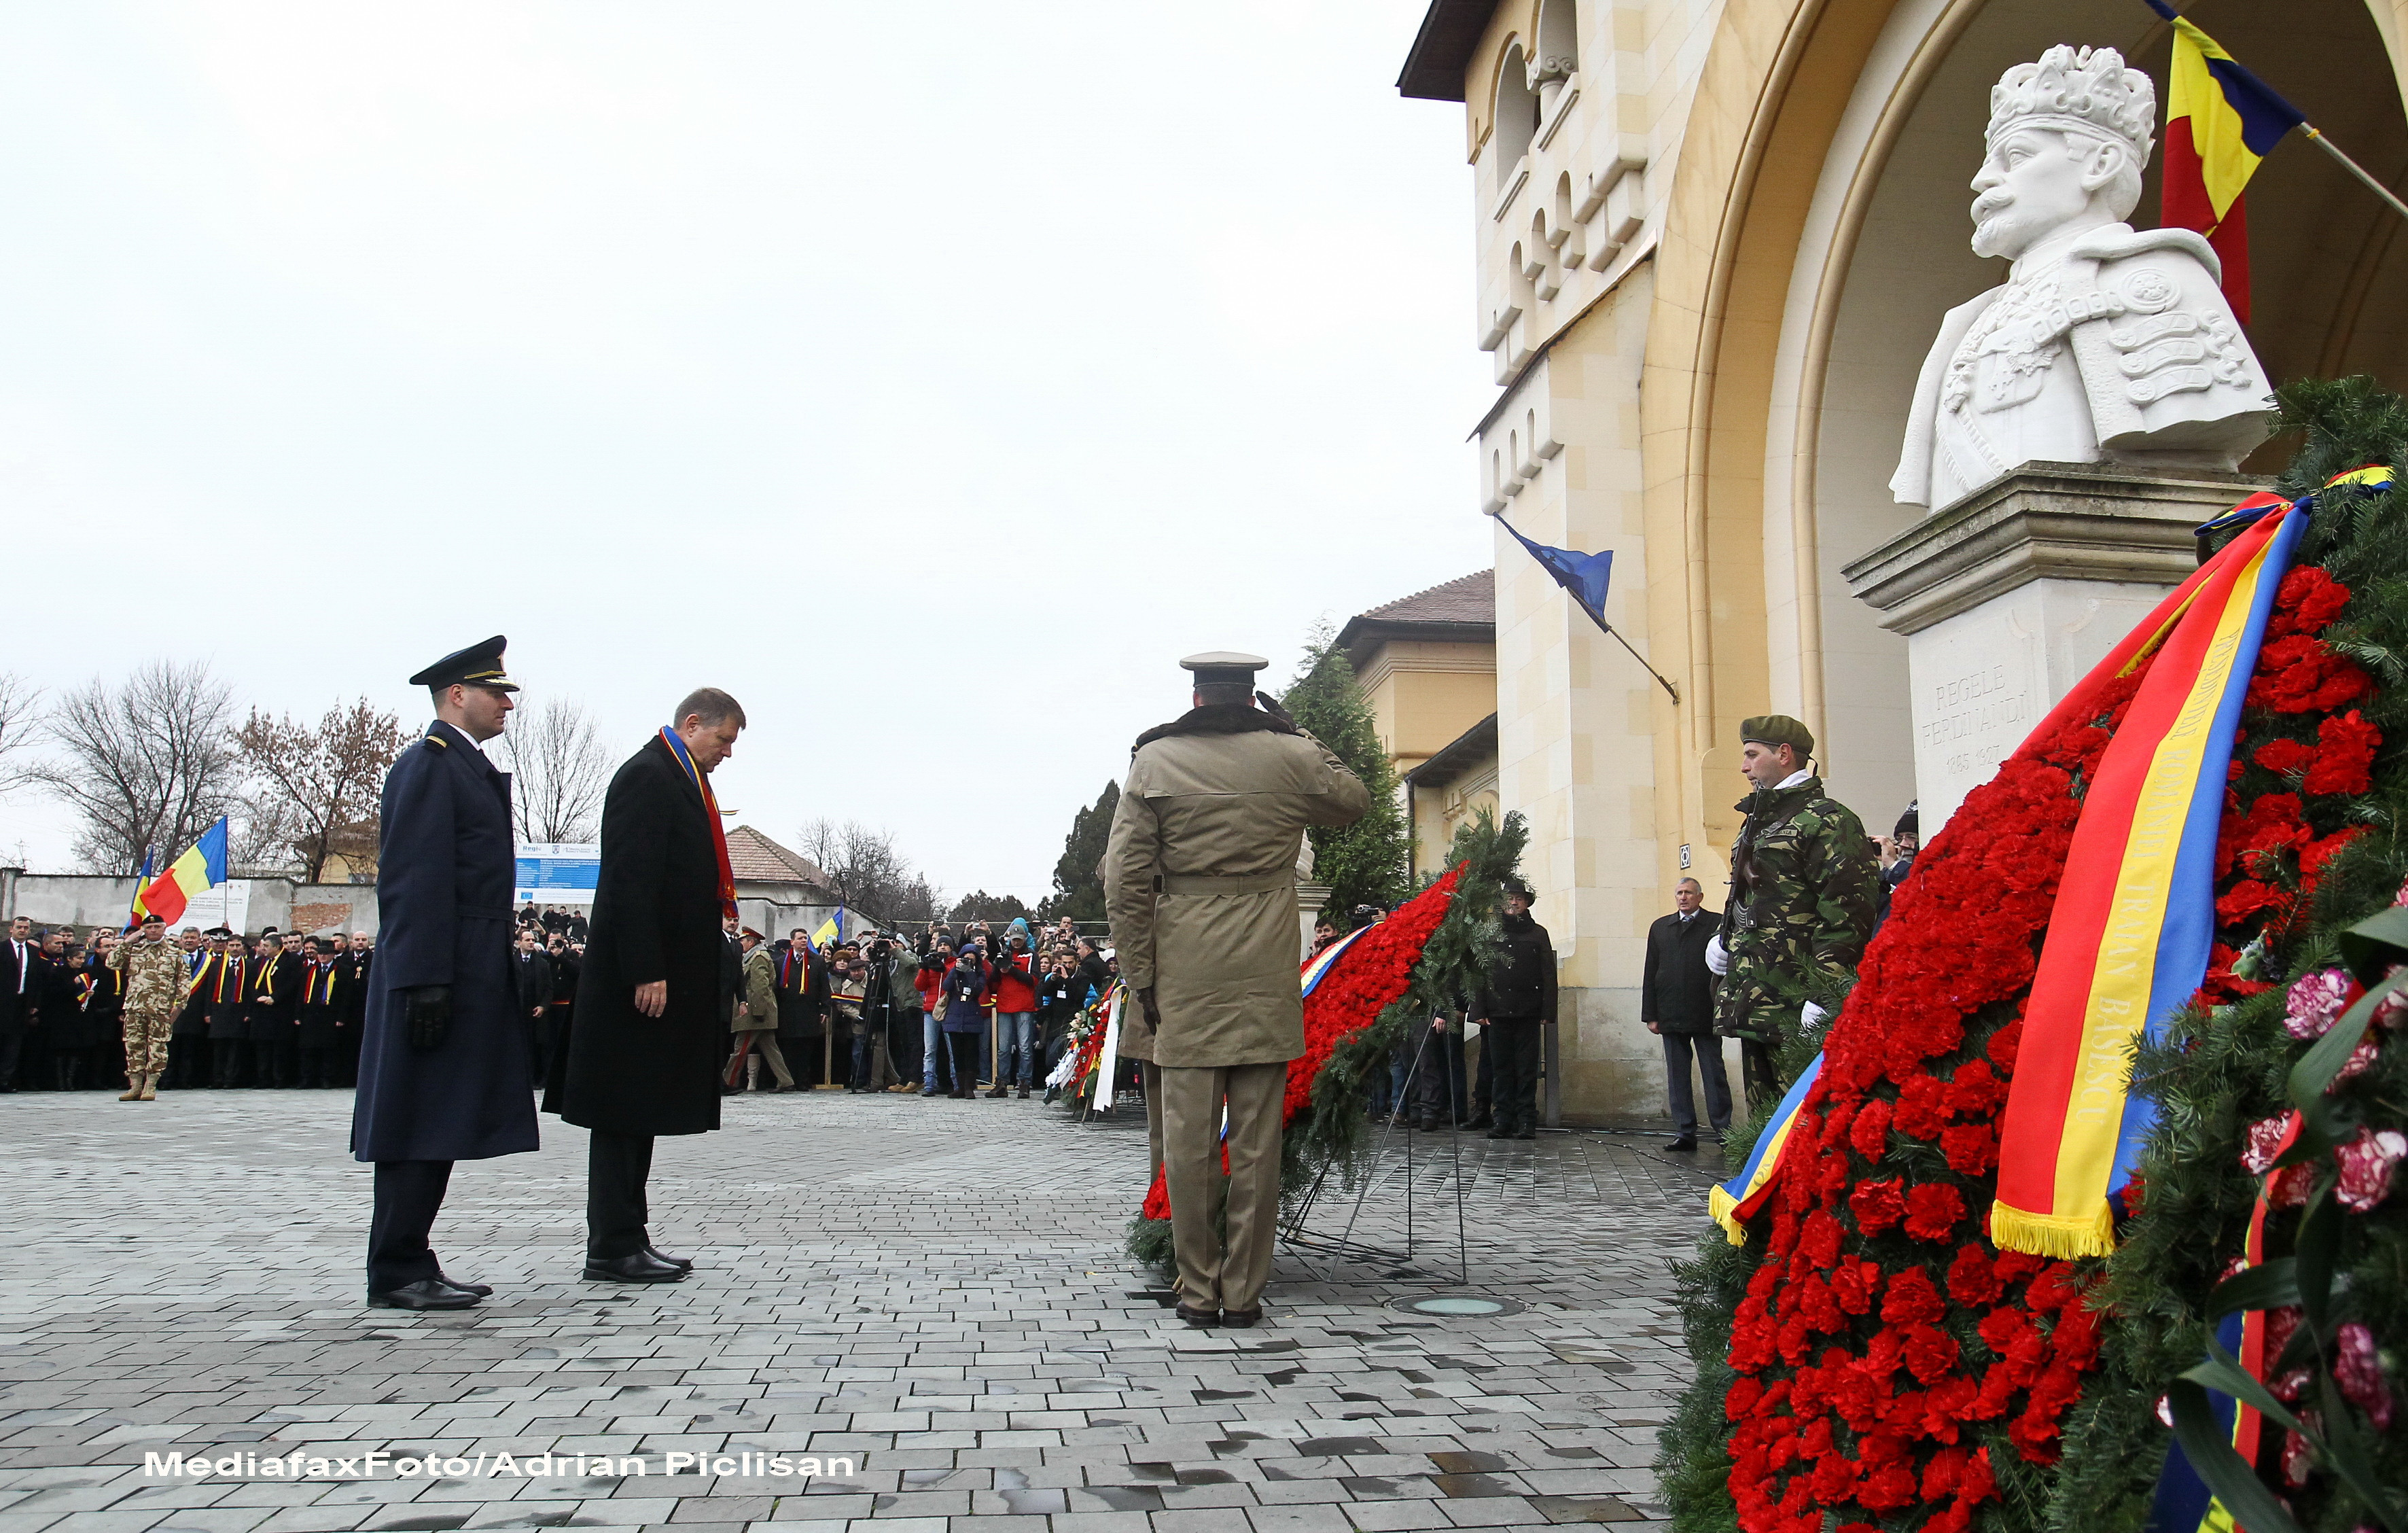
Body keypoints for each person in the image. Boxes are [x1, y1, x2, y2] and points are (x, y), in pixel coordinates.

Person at [1101, 651, 1370, 1328]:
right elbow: (1354, 801)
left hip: (1184, 965)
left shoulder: (1154, 763)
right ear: (1254, 700)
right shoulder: (1289, 755)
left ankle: (1197, 1287)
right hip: (1265, 961)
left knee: (1189, 1143)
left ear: (1195, 699)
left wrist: (1141, 974)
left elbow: (1124, 883)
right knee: (1256, 1143)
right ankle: (1244, 1293)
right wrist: (1300, 733)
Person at [351, 636, 542, 1311]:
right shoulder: (429, 767)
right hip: (438, 972)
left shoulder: (461, 767)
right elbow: (413, 880)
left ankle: (408, 1258)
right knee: (417, 1121)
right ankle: (398, 1268)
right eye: (498, 692)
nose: (508, 703)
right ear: (458, 695)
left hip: (461, 966)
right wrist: (424, 977)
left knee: (435, 1120)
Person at [548, 687, 747, 1284]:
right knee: (622, 1109)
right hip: (638, 980)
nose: (727, 754)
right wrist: (646, 968)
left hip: (662, 975)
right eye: (724, 740)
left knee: (639, 1108)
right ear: (692, 724)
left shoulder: (679, 776)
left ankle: (630, 1234)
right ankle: (611, 1243)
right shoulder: (648, 776)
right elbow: (629, 882)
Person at [1707, 714, 1881, 1106]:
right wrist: (1725, 938)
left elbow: (1848, 915)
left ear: (1784, 754)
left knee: (1803, 1121)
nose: (1744, 766)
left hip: (1798, 1002)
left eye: (1752, 755)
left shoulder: (1828, 820)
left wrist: (1826, 993)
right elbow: (1750, 893)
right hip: (1755, 998)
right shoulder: (1756, 821)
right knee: (1761, 1127)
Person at [1642, 877, 1729, 1152]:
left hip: (1706, 1011)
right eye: (1679, 892)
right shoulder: (1660, 927)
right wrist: (1651, 1015)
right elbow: (1650, 972)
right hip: (1671, 1011)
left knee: (1713, 1073)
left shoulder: (1716, 925)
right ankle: (1684, 1131)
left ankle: (1724, 1130)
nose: (1683, 897)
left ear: (1700, 897)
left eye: (1689, 893)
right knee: (1677, 1076)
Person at [1468, 878, 1557, 1140]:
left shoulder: (1538, 933)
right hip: (1497, 1012)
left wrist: (1547, 1011)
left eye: (1518, 898)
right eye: (1509, 899)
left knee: (1527, 1069)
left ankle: (1527, 1119)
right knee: (1501, 1069)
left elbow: (1548, 975)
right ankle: (1502, 1119)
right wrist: (1479, 1009)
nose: (1514, 903)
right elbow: (1479, 972)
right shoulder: (1489, 932)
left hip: (1528, 1012)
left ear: (1526, 903)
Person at [109, 913, 184, 1101]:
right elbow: (112, 963)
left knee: (157, 1047)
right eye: (148, 928)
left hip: (161, 1008)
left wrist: (179, 1006)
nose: (152, 931)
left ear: (164, 928)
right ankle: (135, 1086)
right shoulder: (135, 949)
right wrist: (129, 940)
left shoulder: (175, 952)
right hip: (135, 1006)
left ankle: (150, 1086)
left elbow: (183, 982)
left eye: (156, 927)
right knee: (134, 1046)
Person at [723, 927, 795, 1093]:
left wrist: (757, 1011)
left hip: (754, 1012)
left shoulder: (758, 957)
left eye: (743, 940)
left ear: (751, 942)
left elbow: (760, 986)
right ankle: (786, 1081)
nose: (740, 943)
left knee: (740, 1049)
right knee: (771, 1049)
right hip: (759, 1010)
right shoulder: (754, 956)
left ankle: (728, 1082)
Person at [987, 923, 1040, 1099]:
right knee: (1003, 1048)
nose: (1016, 943)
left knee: (1025, 1047)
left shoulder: (1031, 955)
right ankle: (1002, 1082)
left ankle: (1024, 1082)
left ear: (1024, 939)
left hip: (1024, 1005)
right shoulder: (1003, 954)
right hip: (1004, 1005)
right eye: (1014, 940)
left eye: (1019, 940)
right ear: (1010, 939)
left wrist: (1012, 969)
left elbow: (1033, 980)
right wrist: (998, 966)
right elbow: (993, 982)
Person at [775, 928, 828, 1088]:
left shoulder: (817, 961)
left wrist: (825, 1009)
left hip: (809, 1012)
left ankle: (803, 1081)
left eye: (806, 938)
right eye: (800, 938)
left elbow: (824, 987)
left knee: (806, 1049)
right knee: (789, 1049)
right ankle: (788, 1081)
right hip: (788, 1012)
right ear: (792, 942)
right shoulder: (781, 962)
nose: (804, 941)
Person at [936, 944, 989, 1097]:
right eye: (966, 959)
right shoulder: (955, 972)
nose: (968, 963)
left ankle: (968, 1087)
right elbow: (946, 986)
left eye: (971, 960)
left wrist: (970, 972)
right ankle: (959, 1087)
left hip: (972, 1016)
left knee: (971, 1054)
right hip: (955, 1016)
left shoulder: (980, 973)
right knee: (957, 1054)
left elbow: (978, 989)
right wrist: (955, 970)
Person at [295, 936, 347, 1089]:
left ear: (333, 955)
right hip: (310, 1014)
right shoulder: (309, 971)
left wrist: (341, 1017)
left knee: (328, 1049)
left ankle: (326, 1078)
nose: (323, 956)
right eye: (321, 953)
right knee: (307, 1049)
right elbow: (300, 994)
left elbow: (346, 997)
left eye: (326, 953)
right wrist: (298, 1015)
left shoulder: (341, 971)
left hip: (330, 1015)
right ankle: (307, 1078)